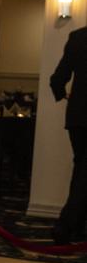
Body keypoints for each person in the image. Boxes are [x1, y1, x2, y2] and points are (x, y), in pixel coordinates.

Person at [49, 25, 87, 244]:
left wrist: (64, 96)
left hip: (78, 117)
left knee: (81, 168)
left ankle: (75, 227)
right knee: (83, 172)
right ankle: (66, 226)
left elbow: (58, 78)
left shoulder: (78, 37)